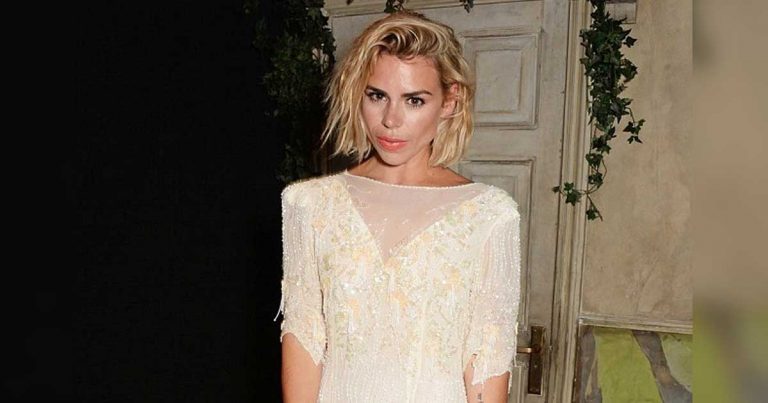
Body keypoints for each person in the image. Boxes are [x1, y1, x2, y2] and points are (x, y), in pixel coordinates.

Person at [274, 10, 522, 403]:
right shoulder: (309, 205)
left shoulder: (490, 215)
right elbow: (304, 340)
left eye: (414, 100)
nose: (391, 120)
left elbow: (486, 363)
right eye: (377, 96)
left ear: (449, 101)